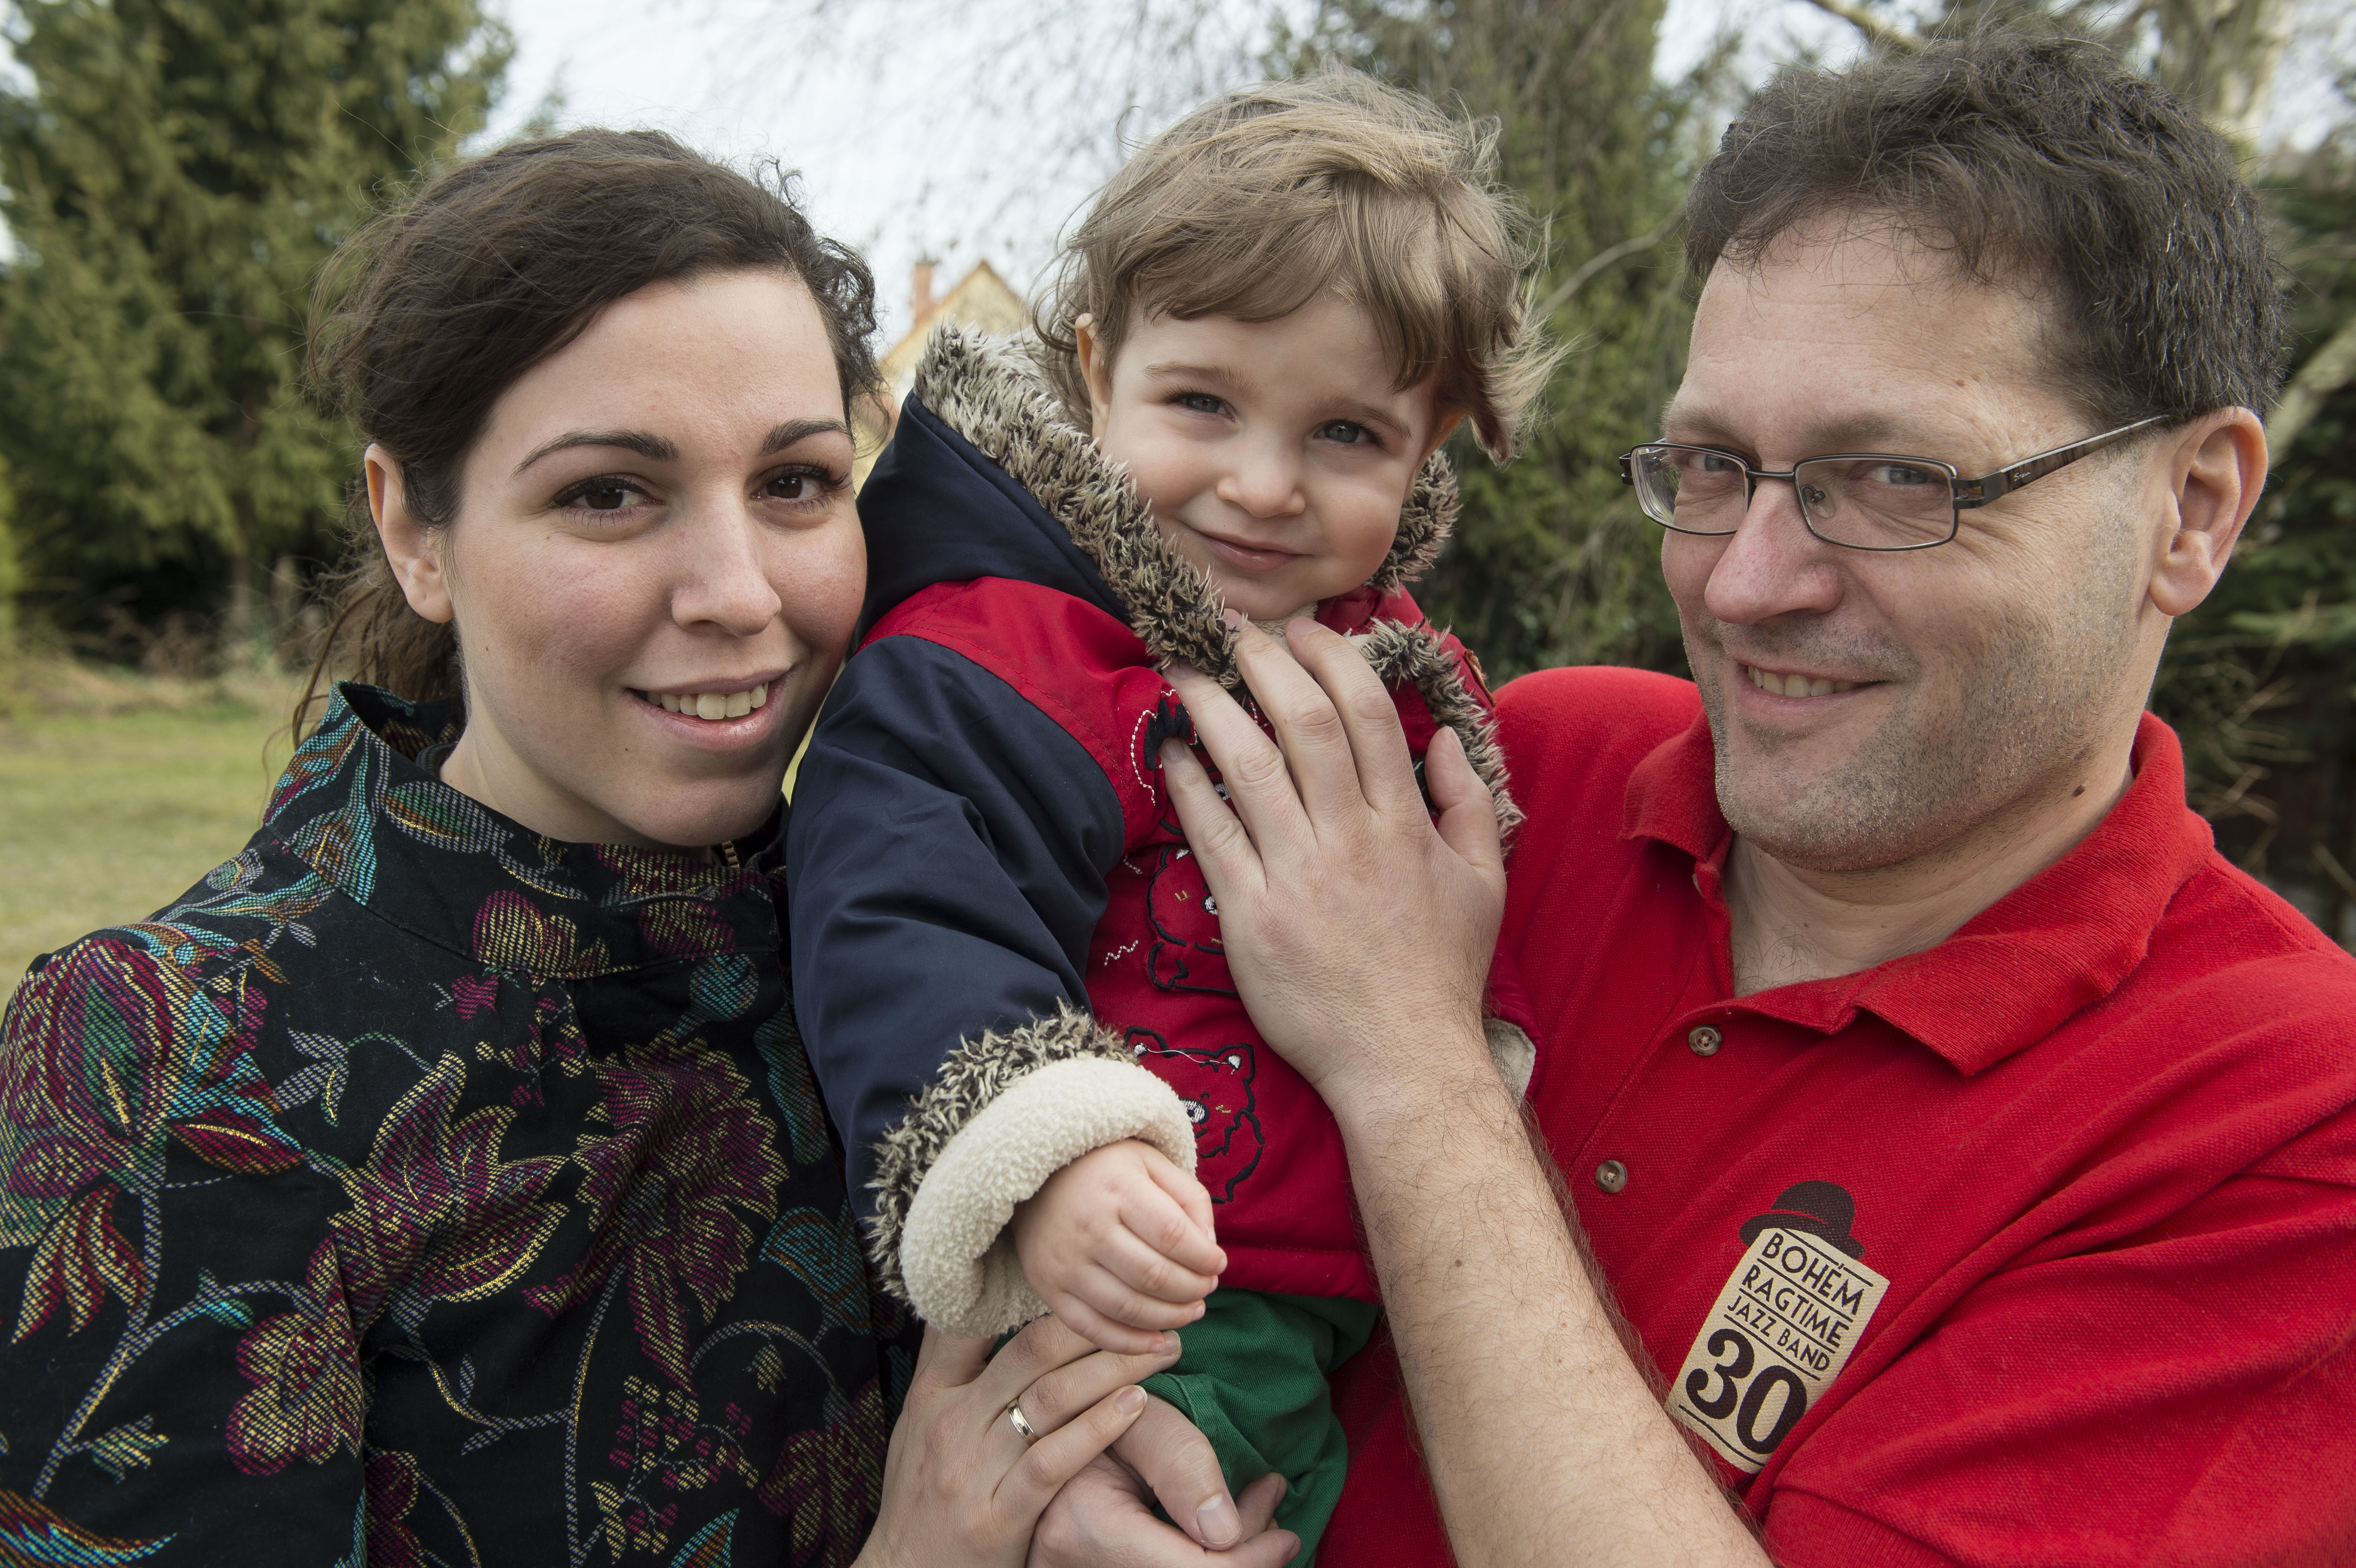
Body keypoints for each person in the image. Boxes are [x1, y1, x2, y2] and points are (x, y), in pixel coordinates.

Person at [0, 129, 1293, 1568]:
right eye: (608, 493)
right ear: (413, 529)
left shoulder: (938, 951)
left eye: (796, 483)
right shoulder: (168, 1064)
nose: (738, 593)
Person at [1151, 32, 2356, 1568]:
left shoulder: (2287, 1128)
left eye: (1900, 482)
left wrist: (1408, 1057)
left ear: (2191, 512)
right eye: (1715, 465)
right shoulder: (1523, 774)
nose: (1745, 581)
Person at [786, 72, 1552, 1557]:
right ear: (1097, 365)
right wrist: (1048, 1161)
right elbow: (903, 901)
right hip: (1119, 1281)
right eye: (1204, 404)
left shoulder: (1381, 673)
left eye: (1347, 436)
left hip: (1345, 1280)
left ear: (1431, 439)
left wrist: (1479, 1086)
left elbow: (1453, 923)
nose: (1263, 486)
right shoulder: (1011, 652)